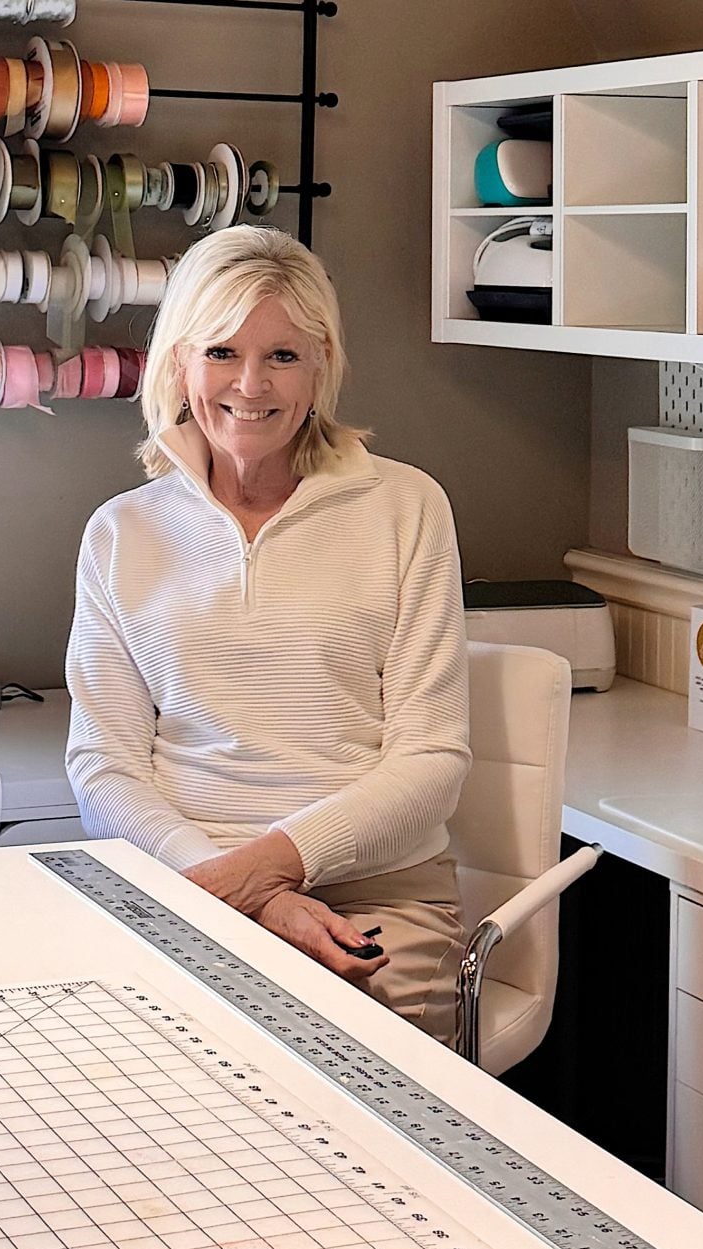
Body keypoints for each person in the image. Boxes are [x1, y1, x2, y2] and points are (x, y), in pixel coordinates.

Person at [64, 225, 470, 1043]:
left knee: (330, 1066)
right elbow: (100, 765)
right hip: (185, 878)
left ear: (322, 365)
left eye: (282, 356)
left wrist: (262, 875)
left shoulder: (405, 508)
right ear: (180, 362)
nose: (250, 384)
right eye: (222, 351)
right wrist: (249, 894)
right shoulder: (122, 534)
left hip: (375, 895)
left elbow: (433, 764)